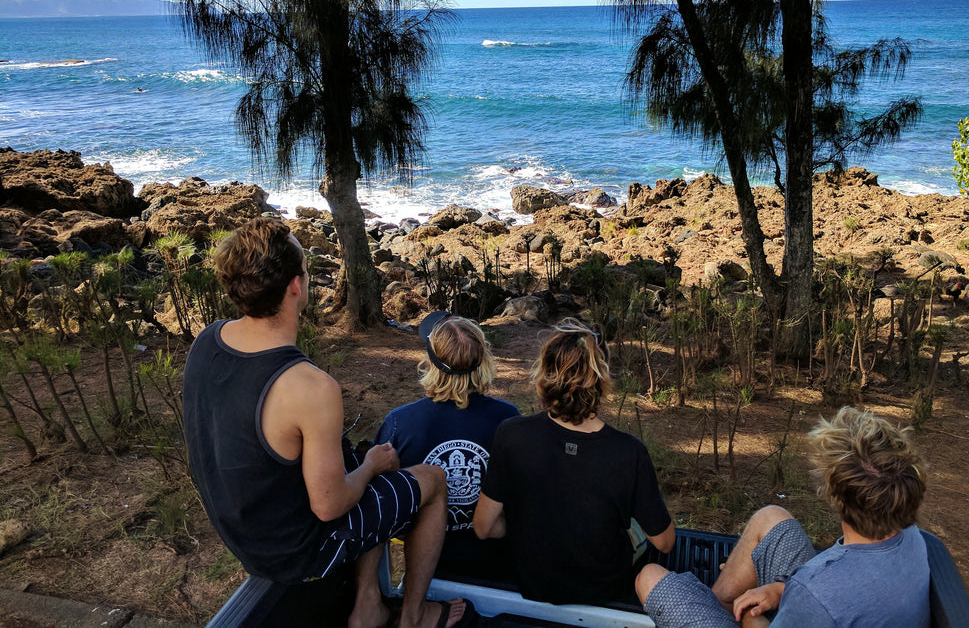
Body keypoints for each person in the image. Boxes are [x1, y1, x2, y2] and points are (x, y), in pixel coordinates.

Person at [182, 219, 471, 628]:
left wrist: (364, 465)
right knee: (431, 479)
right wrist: (371, 467)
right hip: (298, 554)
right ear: (297, 287)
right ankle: (414, 614)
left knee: (353, 459)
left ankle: (369, 603)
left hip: (241, 533)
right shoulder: (309, 387)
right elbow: (331, 505)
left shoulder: (208, 339)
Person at [635, 406, 930, 628]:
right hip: (825, 603)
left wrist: (753, 619)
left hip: (814, 604)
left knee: (649, 577)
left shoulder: (814, 593)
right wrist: (779, 590)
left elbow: (821, 599)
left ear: (834, 496)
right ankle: (720, 607)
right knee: (771, 516)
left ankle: (723, 613)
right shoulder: (913, 539)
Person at [473, 318, 676, 605]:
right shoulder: (629, 453)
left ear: (544, 374)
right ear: (602, 378)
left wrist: (524, 522)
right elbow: (665, 543)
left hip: (531, 584)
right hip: (605, 593)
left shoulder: (511, 434)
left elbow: (484, 527)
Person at [374, 311, 519, 574]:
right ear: (484, 360)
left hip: (428, 568)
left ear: (429, 362)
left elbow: (384, 501)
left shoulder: (399, 423)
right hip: (496, 562)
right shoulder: (508, 419)